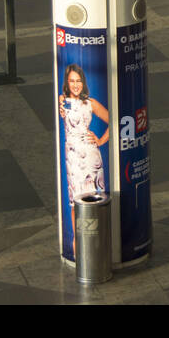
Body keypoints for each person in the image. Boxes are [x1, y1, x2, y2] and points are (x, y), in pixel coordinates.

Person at [59, 63, 109, 258]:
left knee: (95, 199)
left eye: (78, 81)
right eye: (72, 81)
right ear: (67, 83)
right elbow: (60, 106)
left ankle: (97, 247)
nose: (75, 85)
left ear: (83, 82)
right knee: (75, 203)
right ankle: (79, 246)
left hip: (91, 158)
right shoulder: (63, 100)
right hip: (73, 159)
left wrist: (100, 140)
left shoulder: (91, 103)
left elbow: (115, 119)